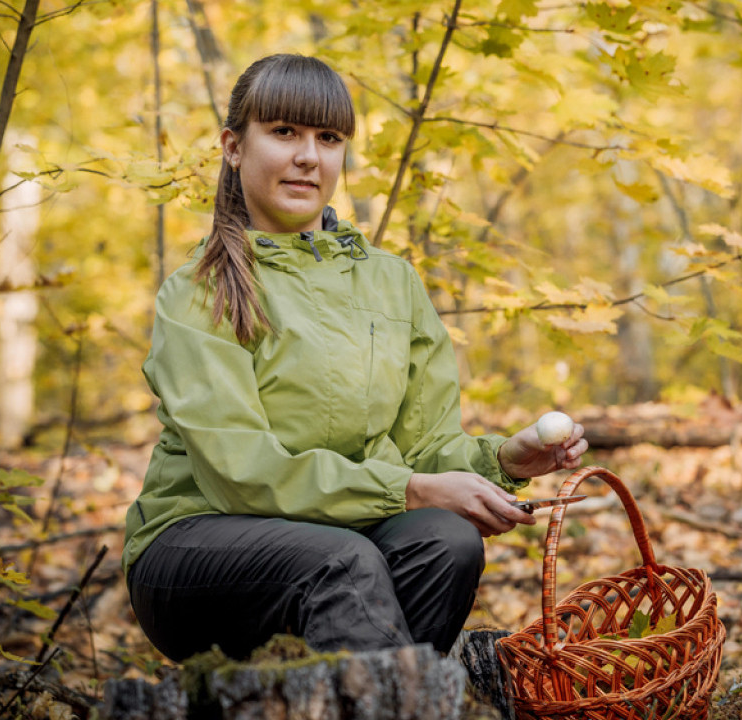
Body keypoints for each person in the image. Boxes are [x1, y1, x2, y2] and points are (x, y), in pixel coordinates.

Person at [122, 53, 587, 663]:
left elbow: (423, 448)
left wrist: (505, 459)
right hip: (194, 551)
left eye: (329, 138)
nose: (308, 156)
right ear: (234, 147)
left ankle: (344, 716)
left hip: (339, 539)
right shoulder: (200, 291)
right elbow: (243, 472)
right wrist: (410, 489)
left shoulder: (392, 283)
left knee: (447, 542)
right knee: (344, 559)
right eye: (284, 132)